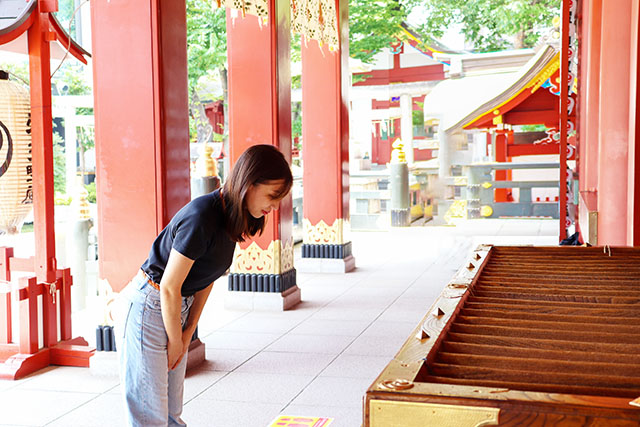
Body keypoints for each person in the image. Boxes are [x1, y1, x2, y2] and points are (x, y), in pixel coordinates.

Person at [115, 144, 293, 426]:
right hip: (150, 305)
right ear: (249, 183)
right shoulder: (202, 216)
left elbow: (205, 280)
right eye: (272, 196)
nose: (274, 206)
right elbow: (170, 286)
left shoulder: (232, 217)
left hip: (174, 308)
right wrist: (176, 340)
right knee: (149, 416)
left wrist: (187, 334)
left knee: (171, 413)